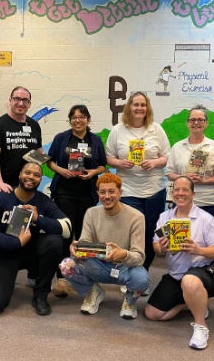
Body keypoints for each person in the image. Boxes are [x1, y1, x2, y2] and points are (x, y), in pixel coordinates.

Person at [144, 177, 214, 350]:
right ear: (172, 193)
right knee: (153, 313)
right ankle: (192, 303)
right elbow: (155, 245)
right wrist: (162, 247)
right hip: (176, 275)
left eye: (185, 190)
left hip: (206, 272)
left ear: (193, 194)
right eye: (176, 189)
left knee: (190, 280)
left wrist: (199, 250)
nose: (180, 193)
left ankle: (201, 326)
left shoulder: (206, 219)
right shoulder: (165, 218)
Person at [0, 163, 70, 316]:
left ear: (40, 180)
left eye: (36, 175)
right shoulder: (1, 197)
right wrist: (16, 242)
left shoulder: (43, 201)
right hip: (2, 254)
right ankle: (0, 280)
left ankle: (40, 295)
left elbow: (67, 228)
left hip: (29, 253)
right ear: (20, 174)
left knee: (54, 242)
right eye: (27, 173)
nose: (31, 177)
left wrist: (38, 219)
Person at [67, 173, 150, 320]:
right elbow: (84, 242)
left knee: (142, 280)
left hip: (125, 268)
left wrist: (123, 254)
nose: (107, 196)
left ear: (120, 192)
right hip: (99, 265)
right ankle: (93, 292)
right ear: (98, 193)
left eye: (111, 191)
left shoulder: (137, 217)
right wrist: (77, 249)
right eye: (103, 192)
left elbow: (139, 257)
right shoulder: (91, 213)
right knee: (66, 266)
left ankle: (130, 301)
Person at [46, 105, 108, 297]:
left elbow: (102, 165)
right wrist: (60, 170)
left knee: (83, 235)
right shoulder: (61, 138)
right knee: (66, 232)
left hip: (87, 192)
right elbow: (50, 161)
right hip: (64, 191)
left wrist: (93, 173)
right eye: (73, 117)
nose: (77, 120)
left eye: (81, 117)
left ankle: (83, 274)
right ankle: (62, 278)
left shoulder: (95, 140)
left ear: (88, 119)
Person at [105, 92, 169, 271]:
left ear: (147, 108)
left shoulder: (156, 129)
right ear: (129, 108)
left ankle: (143, 271)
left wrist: (154, 162)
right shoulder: (118, 130)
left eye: (143, 105)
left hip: (154, 190)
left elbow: (166, 156)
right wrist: (120, 163)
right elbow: (109, 157)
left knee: (150, 233)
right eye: (136, 105)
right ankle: (128, 272)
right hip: (127, 190)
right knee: (130, 233)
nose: (140, 108)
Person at [165, 105, 214, 224]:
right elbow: (169, 173)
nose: (196, 123)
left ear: (206, 123)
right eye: (192, 120)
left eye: (200, 120)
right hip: (183, 203)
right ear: (187, 123)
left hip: (209, 203)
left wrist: (204, 181)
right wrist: (183, 178)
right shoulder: (177, 147)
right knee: (183, 241)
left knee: (210, 242)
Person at [0, 86, 43, 193]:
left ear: (29, 104)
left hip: (28, 186)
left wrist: (54, 166)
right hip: (5, 186)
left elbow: (38, 151)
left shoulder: (34, 125)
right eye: (17, 99)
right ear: (10, 101)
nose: (21, 103)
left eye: (25, 100)